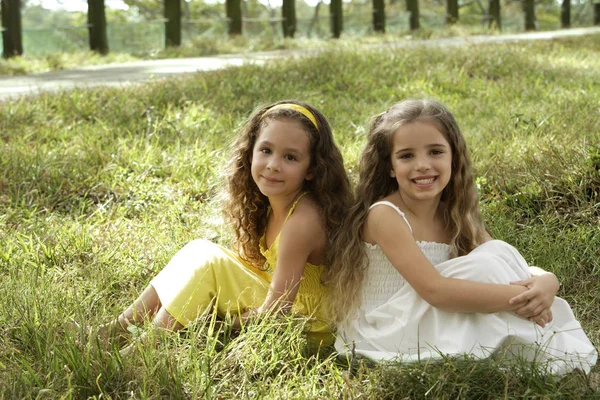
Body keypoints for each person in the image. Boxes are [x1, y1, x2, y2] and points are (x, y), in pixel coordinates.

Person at [328, 99, 597, 374]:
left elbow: (505, 258)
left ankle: (534, 341)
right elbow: (435, 291)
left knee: (496, 252)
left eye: (435, 152)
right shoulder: (385, 215)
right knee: (484, 267)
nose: (422, 165)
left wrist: (546, 282)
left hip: (424, 315)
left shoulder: (453, 214)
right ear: (390, 167)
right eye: (406, 156)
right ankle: (537, 337)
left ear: (453, 157)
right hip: (385, 327)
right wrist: (522, 299)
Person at [79, 100, 352, 348]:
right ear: (250, 154)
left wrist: (220, 324)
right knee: (199, 250)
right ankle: (116, 330)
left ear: (313, 169)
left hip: (307, 329)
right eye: (266, 150)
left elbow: (278, 311)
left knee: (210, 266)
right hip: (285, 310)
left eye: (290, 157)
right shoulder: (272, 205)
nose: (272, 165)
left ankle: (145, 350)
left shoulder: (303, 219)